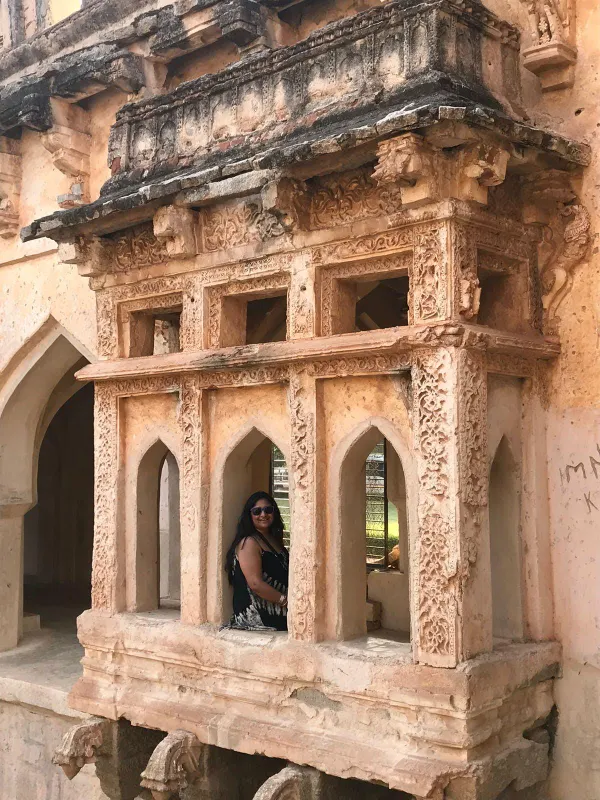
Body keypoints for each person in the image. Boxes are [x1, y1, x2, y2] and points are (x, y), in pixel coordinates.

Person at [224, 491, 289, 631]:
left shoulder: (273, 540)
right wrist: (286, 601)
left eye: (268, 510)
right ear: (249, 515)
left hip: (277, 610)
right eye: (257, 511)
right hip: (259, 615)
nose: (263, 515)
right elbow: (255, 584)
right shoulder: (249, 543)